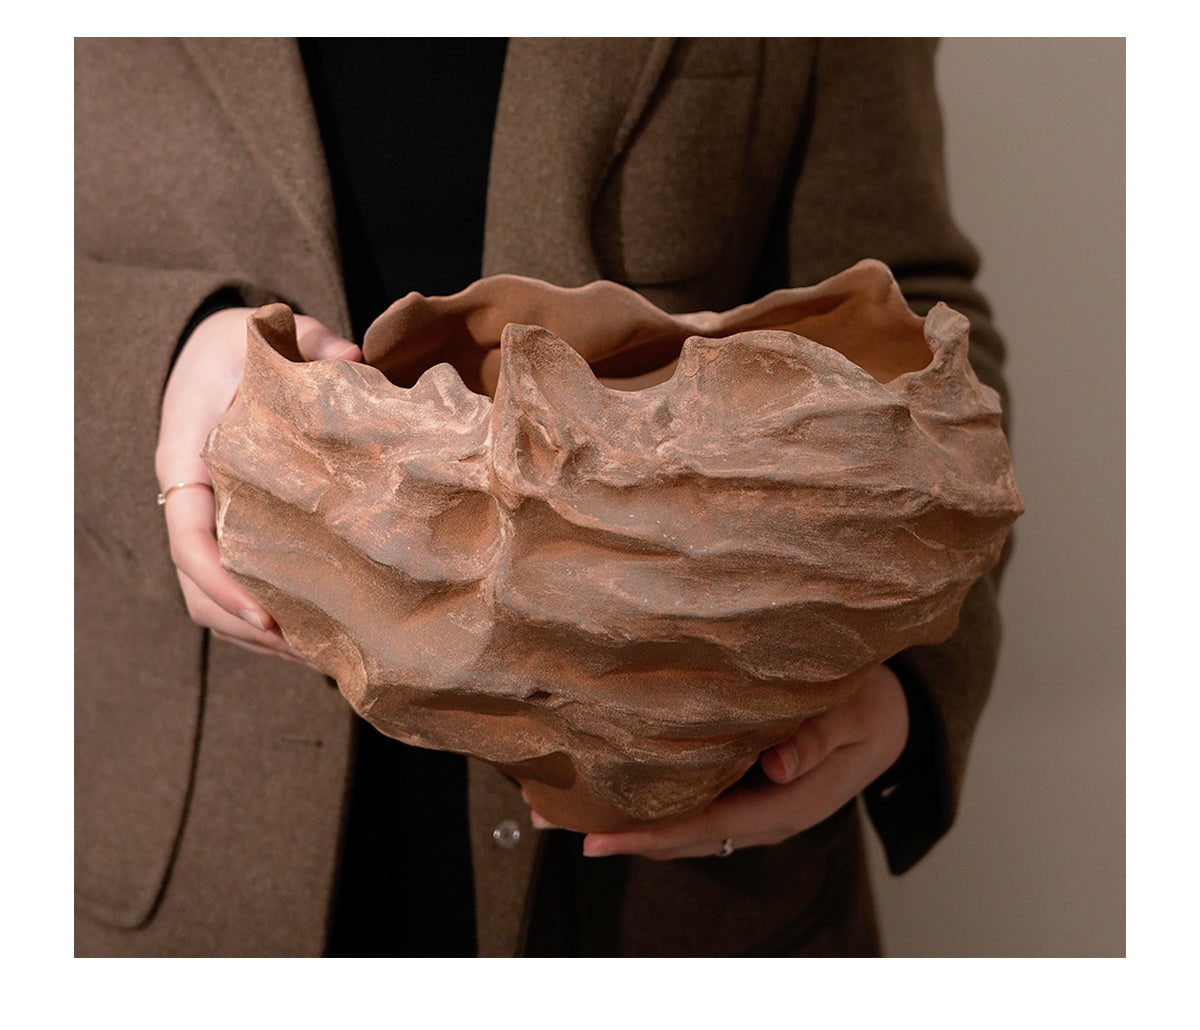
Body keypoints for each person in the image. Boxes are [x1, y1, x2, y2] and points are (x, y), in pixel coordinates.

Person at [75, 37, 1012, 957]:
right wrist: (162, 361)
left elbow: (920, 328)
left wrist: (905, 691)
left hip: (680, 883)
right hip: (194, 866)